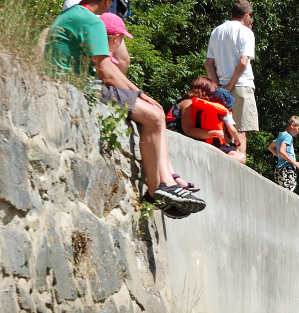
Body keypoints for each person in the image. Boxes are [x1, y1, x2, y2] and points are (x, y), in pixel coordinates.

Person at [45, 0, 204, 215]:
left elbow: (106, 68)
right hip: (83, 87)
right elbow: (106, 71)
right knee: (154, 116)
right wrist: (140, 94)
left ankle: (167, 183)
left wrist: (138, 94)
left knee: (155, 112)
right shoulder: (91, 21)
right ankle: (159, 188)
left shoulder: (70, 15)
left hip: (70, 83)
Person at [206, 1, 257, 158]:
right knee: (240, 130)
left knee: (225, 131)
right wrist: (230, 86)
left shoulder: (217, 31)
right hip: (241, 86)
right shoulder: (246, 32)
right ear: (247, 14)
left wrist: (219, 86)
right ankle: (239, 166)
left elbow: (209, 63)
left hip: (221, 88)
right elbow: (243, 62)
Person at [180, 76, 246, 163]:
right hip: (186, 142)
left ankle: (221, 157)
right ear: (206, 92)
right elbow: (188, 131)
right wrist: (217, 133)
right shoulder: (189, 104)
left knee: (240, 157)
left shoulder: (204, 108)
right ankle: (220, 157)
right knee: (239, 157)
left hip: (206, 143)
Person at [269, 116, 299, 191]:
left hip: (279, 170)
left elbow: (270, 147)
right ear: (292, 125)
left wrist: (281, 156)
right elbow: (281, 151)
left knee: (281, 191)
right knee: (289, 190)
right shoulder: (288, 137)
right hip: (287, 169)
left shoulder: (281, 135)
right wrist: (294, 162)